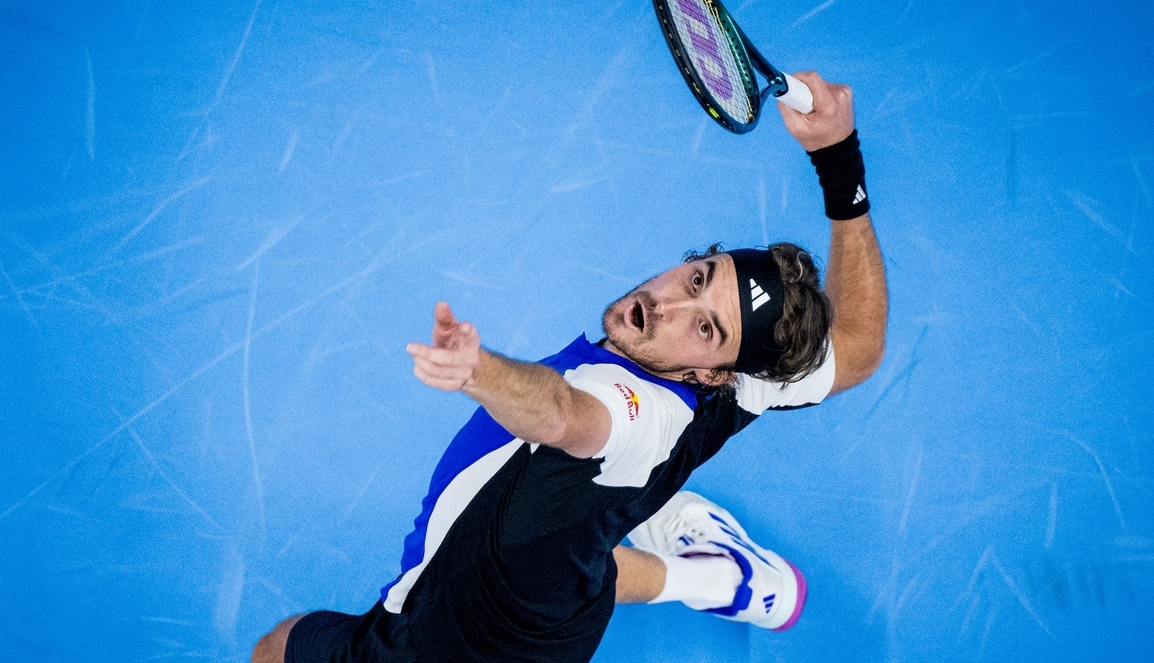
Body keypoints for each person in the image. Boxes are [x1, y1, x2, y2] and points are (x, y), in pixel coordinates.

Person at [253, 72, 887, 663]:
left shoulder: (634, 410)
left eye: (703, 326)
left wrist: (480, 371)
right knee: (575, 557)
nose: (665, 306)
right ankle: (723, 577)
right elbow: (857, 348)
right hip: (558, 604)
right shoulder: (746, 370)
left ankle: (719, 577)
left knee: (277, 648)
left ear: (712, 374)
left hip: (453, 631)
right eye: (697, 279)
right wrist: (839, 158)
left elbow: (565, 413)